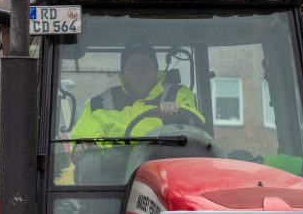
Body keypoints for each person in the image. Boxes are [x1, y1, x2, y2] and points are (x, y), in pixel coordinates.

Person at [70, 39, 204, 144]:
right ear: (123, 73)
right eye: (133, 66)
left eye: (146, 65)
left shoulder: (177, 95)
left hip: (166, 169)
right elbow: (84, 144)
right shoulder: (99, 104)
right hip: (115, 175)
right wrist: (88, 146)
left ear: (155, 70)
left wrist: (175, 118)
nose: (140, 71)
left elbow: (196, 127)